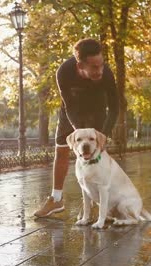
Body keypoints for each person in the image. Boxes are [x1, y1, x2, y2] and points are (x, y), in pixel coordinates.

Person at [33, 38, 119, 218]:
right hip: (72, 109)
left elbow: (115, 108)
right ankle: (56, 199)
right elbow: (68, 105)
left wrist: (103, 135)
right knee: (62, 151)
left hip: (97, 108)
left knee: (97, 154)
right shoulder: (64, 72)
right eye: (94, 67)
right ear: (80, 65)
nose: (100, 70)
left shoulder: (107, 75)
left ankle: (95, 202)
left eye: (101, 64)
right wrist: (78, 132)